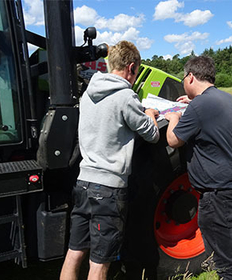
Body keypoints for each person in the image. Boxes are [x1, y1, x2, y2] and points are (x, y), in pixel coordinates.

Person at [60, 41, 160, 280]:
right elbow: (152, 135)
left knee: (74, 253)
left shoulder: (88, 93)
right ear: (132, 67)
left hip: (83, 184)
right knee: (100, 263)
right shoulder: (126, 97)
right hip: (108, 191)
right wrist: (150, 113)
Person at [165, 56, 232, 280]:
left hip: (218, 196)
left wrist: (174, 117)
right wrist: (191, 102)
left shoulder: (199, 106)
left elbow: (173, 141)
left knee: (227, 267)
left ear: (190, 77)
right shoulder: (227, 99)